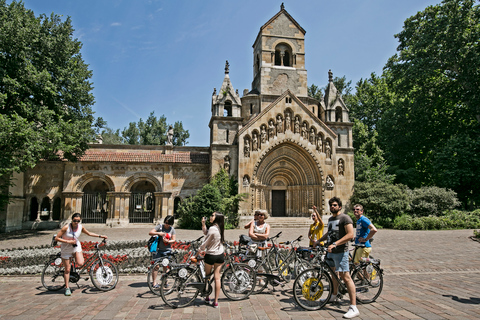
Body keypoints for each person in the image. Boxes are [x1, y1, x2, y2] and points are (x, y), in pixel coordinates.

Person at [314, 197, 359, 319]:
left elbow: (350, 235)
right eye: (331, 205)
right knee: (333, 274)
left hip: (340, 251)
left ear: (339, 206)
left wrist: (335, 244)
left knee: (346, 277)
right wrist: (319, 241)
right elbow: (329, 233)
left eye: (334, 205)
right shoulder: (330, 219)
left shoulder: (345, 218)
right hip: (331, 251)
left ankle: (353, 307)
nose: (332, 207)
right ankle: (333, 296)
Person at [55, 213, 108, 296]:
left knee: (80, 263)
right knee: (67, 270)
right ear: (72, 220)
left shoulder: (80, 227)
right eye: (74, 220)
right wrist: (68, 241)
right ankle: (67, 288)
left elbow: (89, 233)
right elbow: (57, 238)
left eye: (78, 221)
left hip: (76, 247)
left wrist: (101, 236)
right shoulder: (66, 227)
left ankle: (72, 270)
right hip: (66, 249)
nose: (76, 222)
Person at [199, 212, 225, 308]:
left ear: (216, 218)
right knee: (217, 278)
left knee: (207, 276)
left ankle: (207, 296)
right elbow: (207, 233)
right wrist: (203, 224)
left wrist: (198, 252)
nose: (210, 216)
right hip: (220, 254)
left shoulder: (213, 228)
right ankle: (216, 301)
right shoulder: (220, 227)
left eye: (213, 215)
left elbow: (205, 242)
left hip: (211, 255)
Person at [149, 215, 176, 288]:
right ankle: (154, 283)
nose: (166, 224)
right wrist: (159, 233)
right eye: (165, 222)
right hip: (158, 250)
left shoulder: (172, 229)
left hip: (167, 250)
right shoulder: (160, 227)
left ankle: (165, 281)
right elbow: (150, 232)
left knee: (165, 266)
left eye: (168, 223)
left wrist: (168, 241)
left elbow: (173, 240)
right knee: (156, 266)